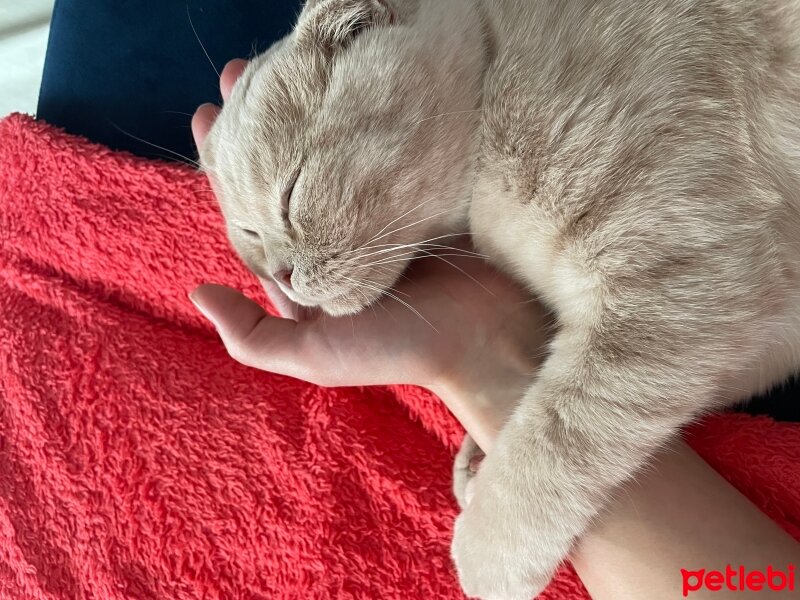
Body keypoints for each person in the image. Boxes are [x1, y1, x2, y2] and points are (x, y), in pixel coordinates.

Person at [38, 3, 800, 597]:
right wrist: (514, 380)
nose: (286, 278)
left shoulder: (541, 80)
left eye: (297, 199)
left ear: (369, 19)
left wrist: (527, 488)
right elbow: (760, 299)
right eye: (257, 247)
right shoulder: (488, 187)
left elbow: (705, 284)